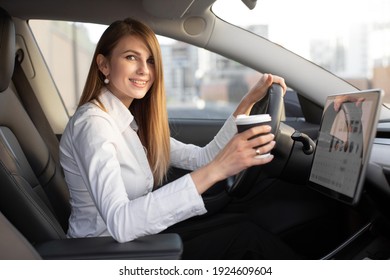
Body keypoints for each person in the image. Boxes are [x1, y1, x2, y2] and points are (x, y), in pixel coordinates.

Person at [59, 17, 298, 259]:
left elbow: (203, 157)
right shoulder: (93, 124)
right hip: (102, 254)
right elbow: (121, 223)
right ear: (104, 65)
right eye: (131, 57)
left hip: (133, 242)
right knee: (248, 239)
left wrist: (247, 102)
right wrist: (217, 170)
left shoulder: (127, 123)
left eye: (150, 60)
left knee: (242, 223)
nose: (144, 70)